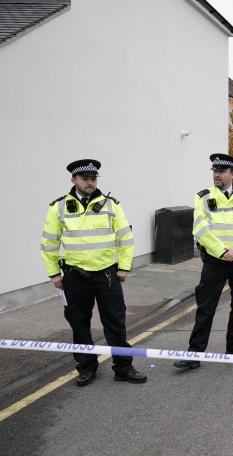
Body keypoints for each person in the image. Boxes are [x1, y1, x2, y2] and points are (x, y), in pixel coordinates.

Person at [40, 159, 147, 386]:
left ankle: (123, 368)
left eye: (93, 178)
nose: (89, 183)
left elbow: (125, 239)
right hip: (74, 277)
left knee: (116, 324)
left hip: (107, 275)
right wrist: (54, 274)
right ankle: (87, 368)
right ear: (74, 180)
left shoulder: (111, 205)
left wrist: (124, 267)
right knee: (79, 324)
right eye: (84, 179)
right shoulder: (59, 207)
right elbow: (49, 243)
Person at [174, 153, 233, 370]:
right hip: (215, 260)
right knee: (206, 306)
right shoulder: (203, 197)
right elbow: (200, 229)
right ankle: (194, 353)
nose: (217, 175)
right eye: (215, 171)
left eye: (221, 171)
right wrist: (222, 252)